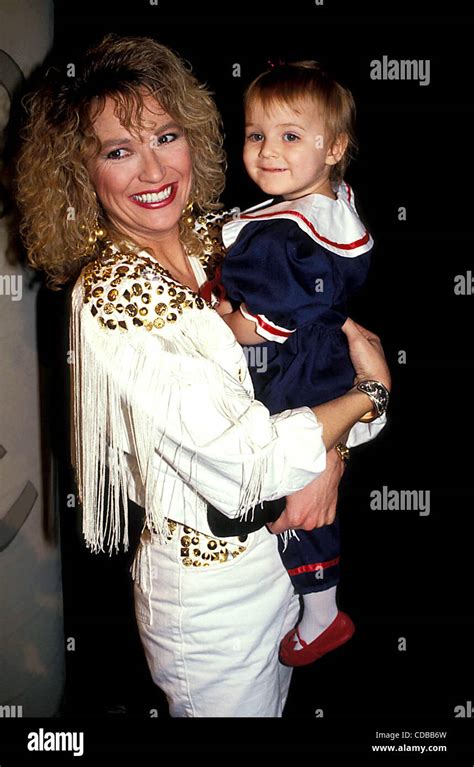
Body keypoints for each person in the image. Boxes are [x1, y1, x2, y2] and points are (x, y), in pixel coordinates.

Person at [15, 34, 390, 717]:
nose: (153, 169)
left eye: (165, 135)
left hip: (288, 559)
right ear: (82, 172)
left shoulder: (230, 235)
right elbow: (251, 462)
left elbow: (327, 351)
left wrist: (333, 447)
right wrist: (368, 397)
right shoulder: (112, 296)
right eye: (119, 150)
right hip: (211, 596)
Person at [215, 61, 375, 666]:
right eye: (256, 135)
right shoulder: (328, 203)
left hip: (295, 371)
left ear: (334, 147)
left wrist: (215, 324)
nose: (267, 151)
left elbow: (256, 326)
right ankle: (314, 601)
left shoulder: (285, 235)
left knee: (296, 486)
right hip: (325, 358)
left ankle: (321, 607)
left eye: (290, 135)